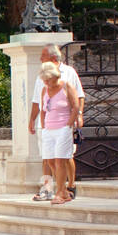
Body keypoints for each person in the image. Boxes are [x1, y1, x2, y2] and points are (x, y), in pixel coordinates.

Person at [28, 45, 85, 200]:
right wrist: (33, 119)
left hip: (64, 123)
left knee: (66, 157)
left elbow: (79, 97)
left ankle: (69, 186)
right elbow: (37, 101)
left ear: (54, 58)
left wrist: (78, 116)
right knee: (48, 159)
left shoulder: (69, 73)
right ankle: (47, 188)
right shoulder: (42, 76)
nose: (40, 59)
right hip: (47, 124)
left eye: (43, 55)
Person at [36, 61, 81, 205]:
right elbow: (43, 109)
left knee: (59, 160)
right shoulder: (44, 90)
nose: (46, 82)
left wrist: (69, 124)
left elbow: (75, 106)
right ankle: (63, 191)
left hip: (63, 127)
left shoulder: (66, 86)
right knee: (49, 160)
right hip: (49, 129)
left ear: (55, 76)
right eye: (44, 80)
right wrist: (43, 126)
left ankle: (60, 192)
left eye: (48, 79)